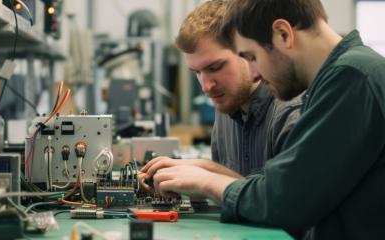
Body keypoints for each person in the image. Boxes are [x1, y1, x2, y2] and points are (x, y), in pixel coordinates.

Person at [144, 0, 385, 239]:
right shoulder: (342, 78)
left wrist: (209, 182)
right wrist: (208, 171)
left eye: (252, 56)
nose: (254, 73)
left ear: (283, 34)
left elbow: (286, 201)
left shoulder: (352, 78)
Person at [140, 0, 301, 190]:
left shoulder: (289, 113)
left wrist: (208, 175)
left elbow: (286, 201)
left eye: (215, 67)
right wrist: (201, 171)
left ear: (248, 52)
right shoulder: (226, 106)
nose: (206, 87)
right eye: (196, 73)